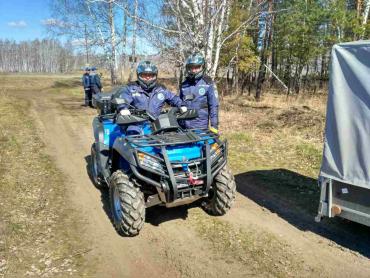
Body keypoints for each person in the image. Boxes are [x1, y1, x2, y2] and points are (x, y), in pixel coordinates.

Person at [117, 61, 186, 120]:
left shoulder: (161, 89)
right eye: (144, 75)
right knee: (133, 131)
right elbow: (123, 98)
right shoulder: (131, 88)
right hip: (137, 123)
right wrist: (123, 108)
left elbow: (174, 98)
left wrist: (182, 105)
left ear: (155, 76)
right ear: (139, 75)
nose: (148, 78)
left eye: (151, 75)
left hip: (157, 123)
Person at [180, 53, 219, 133]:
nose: (194, 70)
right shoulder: (184, 85)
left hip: (200, 127)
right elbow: (179, 104)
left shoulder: (208, 83)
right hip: (184, 127)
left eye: (197, 67)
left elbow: (213, 106)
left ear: (202, 67)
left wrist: (214, 126)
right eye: (191, 67)